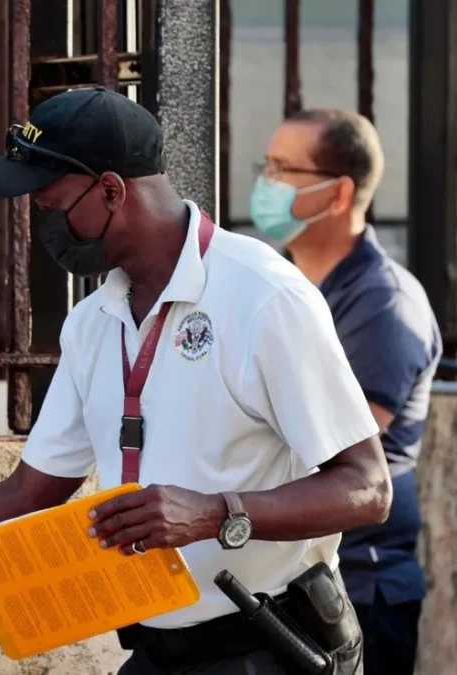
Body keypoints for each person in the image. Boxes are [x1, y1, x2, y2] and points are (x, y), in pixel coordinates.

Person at [0, 88, 393, 674]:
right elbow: (28, 493)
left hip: (273, 645)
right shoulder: (94, 321)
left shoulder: (264, 297)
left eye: (51, 205)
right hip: (160, 650)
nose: (42, 228)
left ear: (111, 191)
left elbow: (366, 488)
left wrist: (214, 513)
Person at [252, 109, 441, 675]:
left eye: (283, 169)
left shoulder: (383, 303)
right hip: (283, 581)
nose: (265, 182)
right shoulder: (276, 286)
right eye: (266, 166)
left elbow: (335, 448)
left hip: (352, 590)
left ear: (337, 193)